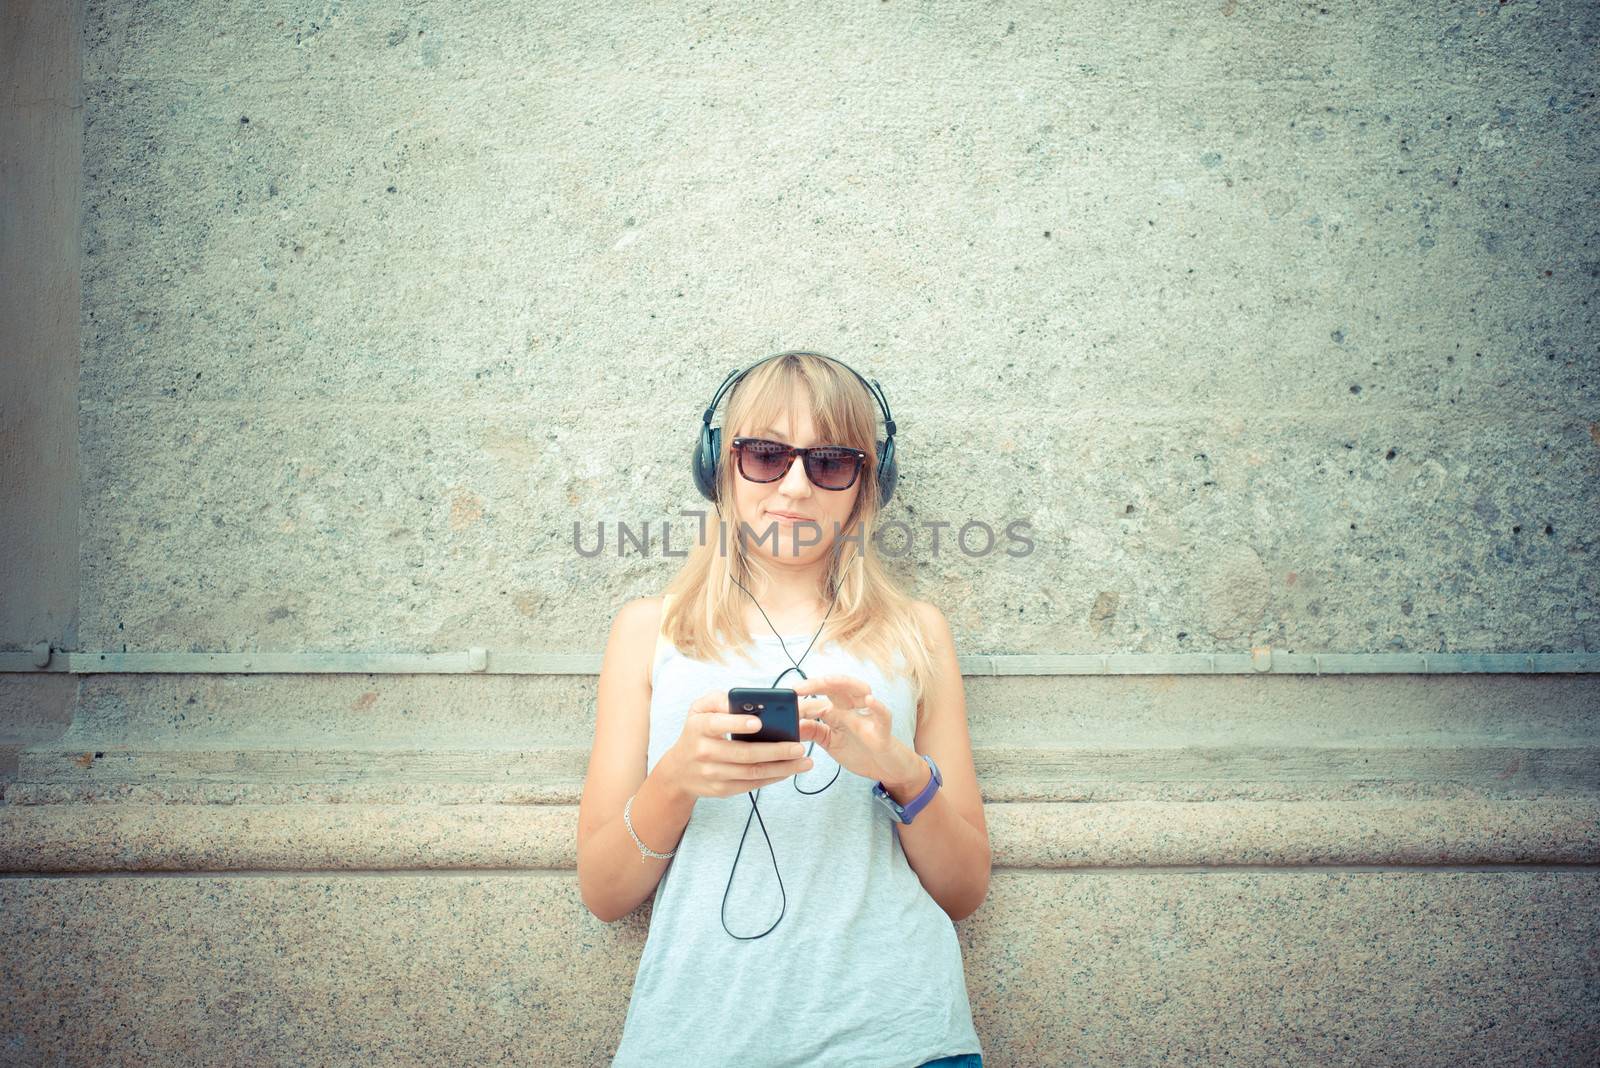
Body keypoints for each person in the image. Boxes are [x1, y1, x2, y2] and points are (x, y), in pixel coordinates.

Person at [577, 351, 988, 1068]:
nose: (794, 486)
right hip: (695, 1039)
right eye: (764, 455)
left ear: (867, 484)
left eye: (830, 463)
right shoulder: (648, 630)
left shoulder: (919, 631)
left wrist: (900, 772)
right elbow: (605, 892)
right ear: (720, 467)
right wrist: (676, 778)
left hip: (900, 1040)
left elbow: (964, 889)